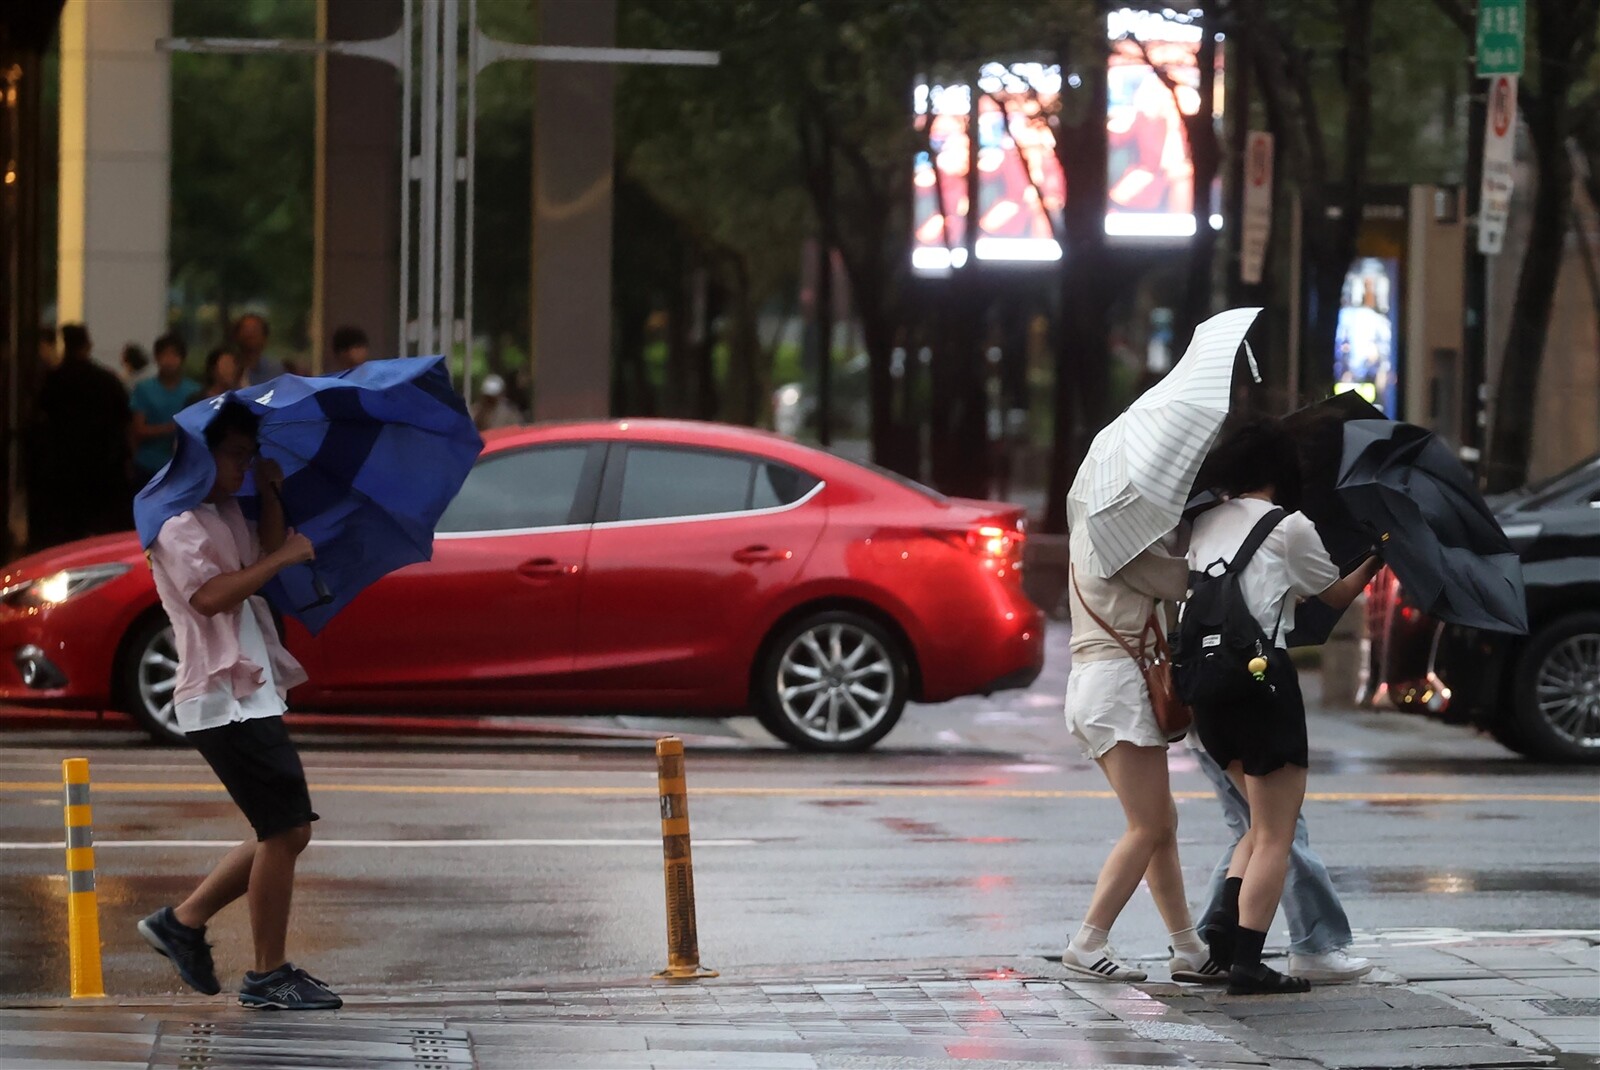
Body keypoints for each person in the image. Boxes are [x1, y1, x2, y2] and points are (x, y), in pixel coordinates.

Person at [136, 402, 341, 1010]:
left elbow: (262, 554)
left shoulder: (223, 510)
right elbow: (210, 597)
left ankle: (184, 921)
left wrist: (271, 494)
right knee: (286, 828)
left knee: (283, 828)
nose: (240, 466)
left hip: (248, 689)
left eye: (247, 456)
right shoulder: (175, 524)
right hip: (220, 695)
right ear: (201, 453)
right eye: (232, 455)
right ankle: (267, 972)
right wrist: (283, 558)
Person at [1185, 419, 1380, 994]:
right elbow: (1334, 594)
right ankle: (1248, 962)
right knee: (1277, 831)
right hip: (1263, 686)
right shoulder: (1289, 526)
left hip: (1208, 692)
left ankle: (1222, 929)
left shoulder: (1202, 524)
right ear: (1279, 472)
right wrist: (1376, 558)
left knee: (1256, 821)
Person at [1059, 520, 1224, 984]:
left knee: (1160, 822)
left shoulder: (1092, 529)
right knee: (1149, 825)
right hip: (1117, 686)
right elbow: (1182, 580)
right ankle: (1089, 942)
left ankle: (1188, 947)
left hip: (1098, 685)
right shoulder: (1120, 537)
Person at [1191, 742, 1373, 982]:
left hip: (1214, 725)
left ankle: (1214, 938)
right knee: (1278, 828)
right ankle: (1312, 945)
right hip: (1247, 725)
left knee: (1256, 830)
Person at [31, 323, 132, 546]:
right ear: (87, 346)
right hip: (103, 464)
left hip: (63, 466)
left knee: (66, 531)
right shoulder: (106, 380)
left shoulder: (53, 380)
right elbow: (124, 419)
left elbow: (42, 415)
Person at [130, 333, 201, 486]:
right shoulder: (144, 388)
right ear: (156, 358)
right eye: (164, 355)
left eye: (174, 355)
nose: (169, 361)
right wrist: (170, 428)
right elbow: (138, 429)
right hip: (147, 465)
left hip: (181, 465)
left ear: (182, 358)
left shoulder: (194, 390)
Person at [232, 313, 284, 387]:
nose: (250, 334)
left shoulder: (275, 370)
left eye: (255, 330)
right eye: (246, 329)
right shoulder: (228, 367)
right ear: (236, 336)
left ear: (265, 338)